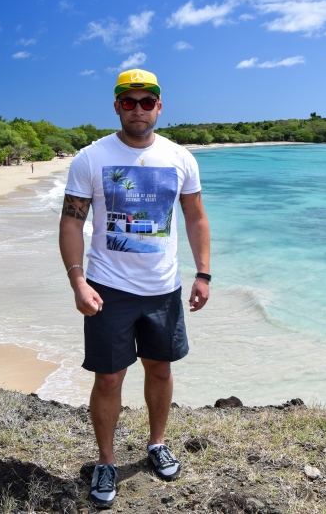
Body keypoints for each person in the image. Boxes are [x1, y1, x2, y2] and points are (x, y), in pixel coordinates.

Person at [59, 68, 211, 509]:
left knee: (160, 370)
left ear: (159, 107)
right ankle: (106, 461)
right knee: (109, 378)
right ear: (117, 107)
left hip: (164, 289)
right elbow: (71, 222)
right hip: (108, 289)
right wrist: (77, 281)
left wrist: (203, 274)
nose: (138, 109)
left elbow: (195, 217)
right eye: (129, 101)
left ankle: (156, 443)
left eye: (147, 102)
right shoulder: (91, 158)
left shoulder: (180, 158)